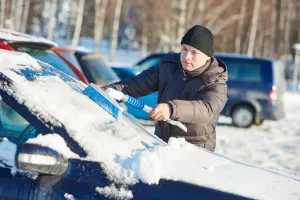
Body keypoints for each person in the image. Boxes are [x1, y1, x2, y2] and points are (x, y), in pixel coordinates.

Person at [103, 25, 228, 152]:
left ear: (207, 56)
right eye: (184, 49)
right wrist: (107, 91)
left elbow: (206, 110)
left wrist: (171, 109)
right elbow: (135, 85)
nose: (187, 56)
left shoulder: (215, 81)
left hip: (194, 151)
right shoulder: (168, 66)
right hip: (161, 145)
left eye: (194, 52)